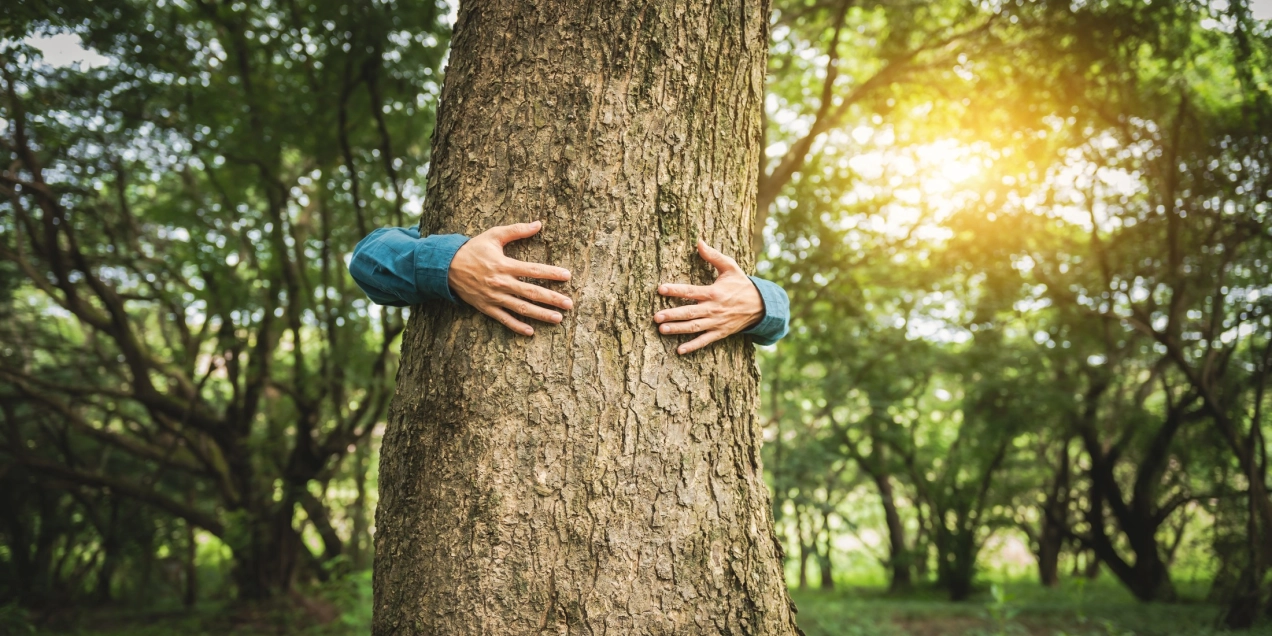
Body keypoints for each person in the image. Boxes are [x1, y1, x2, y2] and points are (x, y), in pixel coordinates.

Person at [348, 221, 788, 354]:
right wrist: (446, 263)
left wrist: (760, 301)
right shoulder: (445, 224)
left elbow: (781, 317)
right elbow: (368, 258)